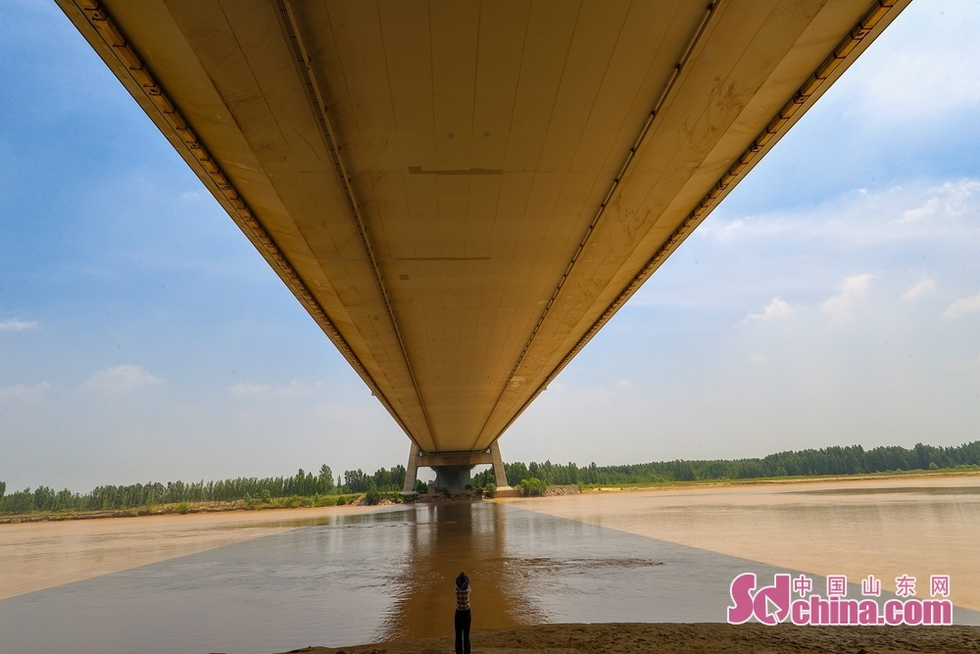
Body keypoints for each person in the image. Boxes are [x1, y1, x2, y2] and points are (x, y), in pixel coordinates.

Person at [454, 571, 471, 654]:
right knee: (466, 635)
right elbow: (467, 585)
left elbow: (457, 586)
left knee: (458, 635)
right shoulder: (468, 589)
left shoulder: (456, 589)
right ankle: (467, 652)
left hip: (458, 612)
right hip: (467, 612)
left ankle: (459, 652)